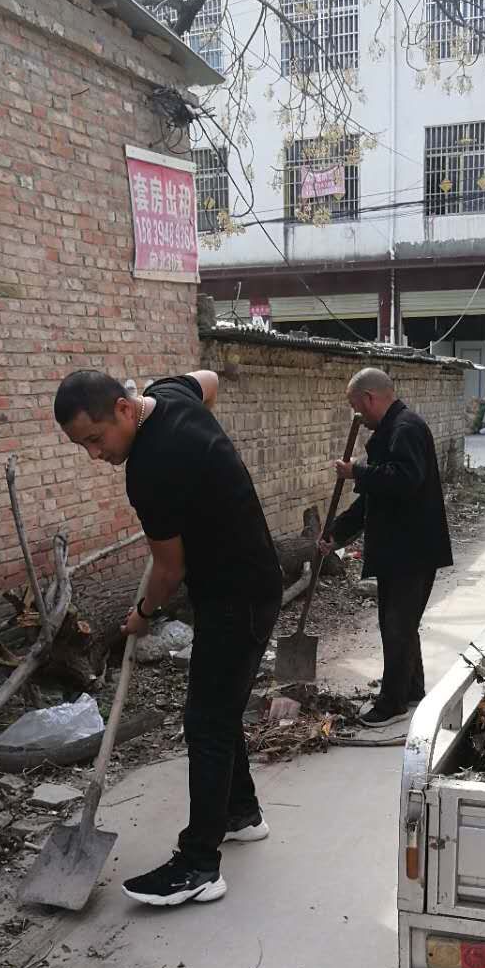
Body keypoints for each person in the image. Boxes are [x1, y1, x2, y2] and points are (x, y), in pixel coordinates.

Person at [54, 369, 282, 908]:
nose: (95, 455)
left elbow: (168, 570)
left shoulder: (151, 471)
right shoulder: (169, 394)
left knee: (205, 723)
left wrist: (142, 614)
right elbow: (210, 380)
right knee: (220, 709)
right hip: (249, 581)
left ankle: (199, 865)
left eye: (96, 439)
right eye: (82, 446)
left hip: (237, 597)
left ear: (123, 409)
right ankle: (241, 813)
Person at [321, 368, 452, 727]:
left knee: (396, 625)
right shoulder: (390, 431)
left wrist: (357, 472)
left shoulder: (406, 429)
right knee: (402, 624)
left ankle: (392, 703)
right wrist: (337, 532)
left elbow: (406, 479)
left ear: (370, 398)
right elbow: (373, 499)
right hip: (400, 549)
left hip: (411, 550)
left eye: (356, 406)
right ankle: (411, 689)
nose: (357, 416)